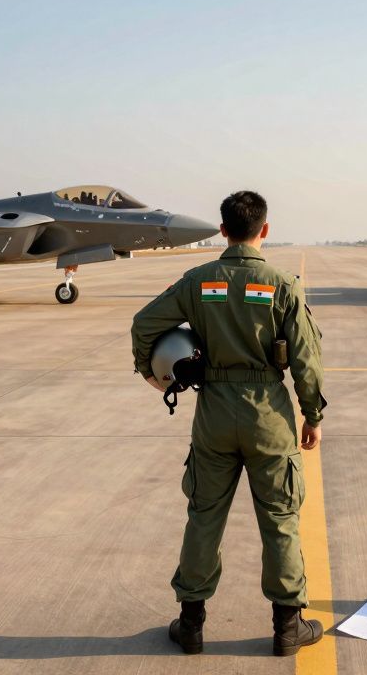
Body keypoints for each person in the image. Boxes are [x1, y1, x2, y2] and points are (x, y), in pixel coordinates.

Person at [130, 190, 327, 657]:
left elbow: (143, 324)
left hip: (214, 412)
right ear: (265, 229)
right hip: (268, 415)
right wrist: (312, 415)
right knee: (280, 519)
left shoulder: (197, 280)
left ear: (222, 230)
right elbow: (305, 359)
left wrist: (152, 373)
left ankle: (191, 624)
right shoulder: (282, 284)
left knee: (204, 515)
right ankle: (287, 626)